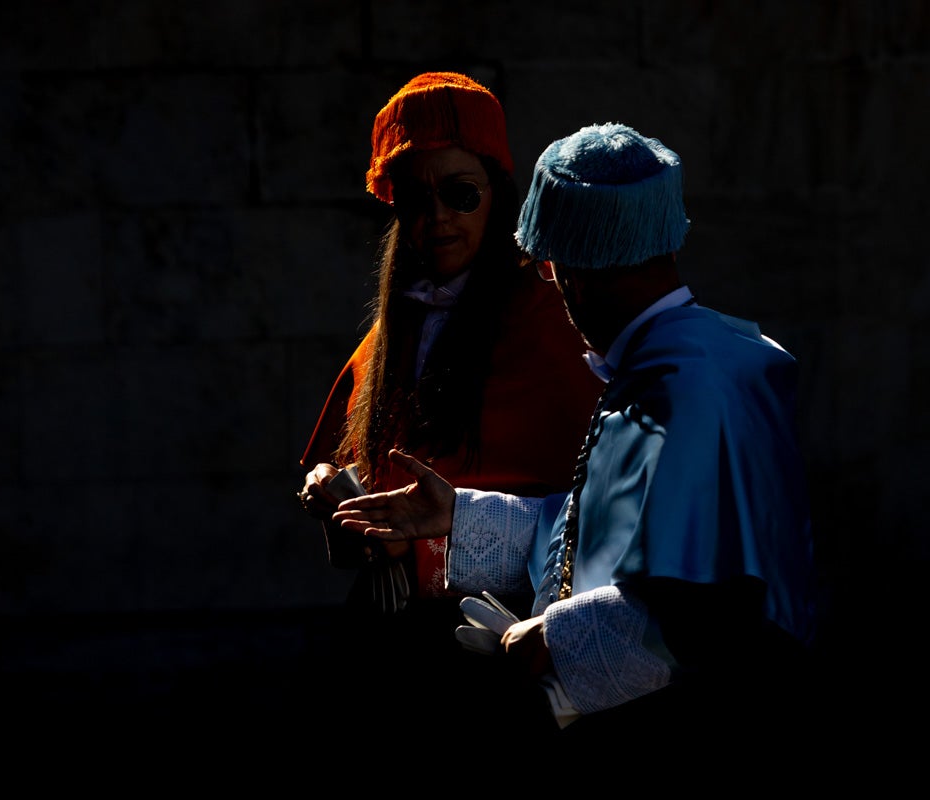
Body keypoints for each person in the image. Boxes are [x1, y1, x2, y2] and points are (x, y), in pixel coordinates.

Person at [332, 123, 819, 749]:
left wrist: (551, 639)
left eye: (552, 269)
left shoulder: (688, 390)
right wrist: (460, 517)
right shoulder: (684, 358)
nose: (552, 285)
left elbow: (707, 610)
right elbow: (610, 532)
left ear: (574, 271)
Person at [295, 73, 602, 719]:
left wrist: (424, 542)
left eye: (460, 194)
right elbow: (352, 455)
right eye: (415, 198)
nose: (437, 218)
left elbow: (594, 515)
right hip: (392, 645)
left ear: (498, 195)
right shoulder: (395, 327)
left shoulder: (551, 321)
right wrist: (333, 484)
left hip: (501, 640)